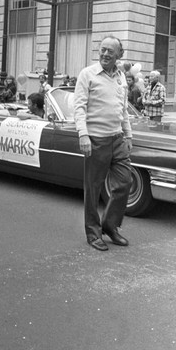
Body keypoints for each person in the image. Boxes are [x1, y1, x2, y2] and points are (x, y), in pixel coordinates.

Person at [74, 35, 132, 251]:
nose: (106, 54)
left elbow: (122, 108)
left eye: (110, 51)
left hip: (117, 139)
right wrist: (83, 134)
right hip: (95, 139)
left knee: (125, 182)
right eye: (103, 49)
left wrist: (128, 135)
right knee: (93, 188)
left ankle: (110, 225)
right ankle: (93, 233)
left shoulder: (121, 77)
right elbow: (79, 107)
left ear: (119, 55)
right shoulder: (87, 74)